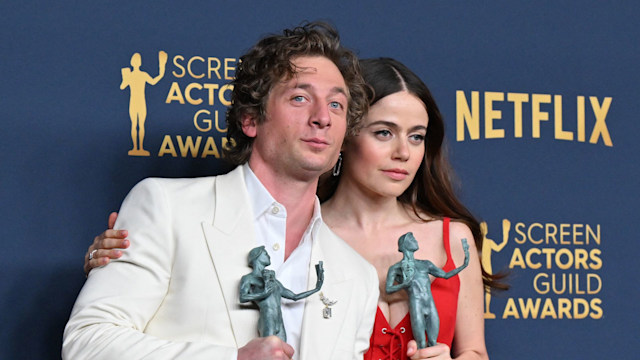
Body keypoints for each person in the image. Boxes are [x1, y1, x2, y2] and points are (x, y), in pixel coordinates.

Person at [86, 57, 507, 359]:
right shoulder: (179, 210)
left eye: (417, 137)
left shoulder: (348, 265)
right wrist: (126, 254)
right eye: (384, 132)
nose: (402, 152)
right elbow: (92, 339)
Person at [64, 22, 379, 360]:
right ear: (250, 119)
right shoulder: (166, 208)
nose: (322, 118)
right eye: (300, 98)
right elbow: (88, 342)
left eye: (336, 105)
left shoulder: (356, 275)